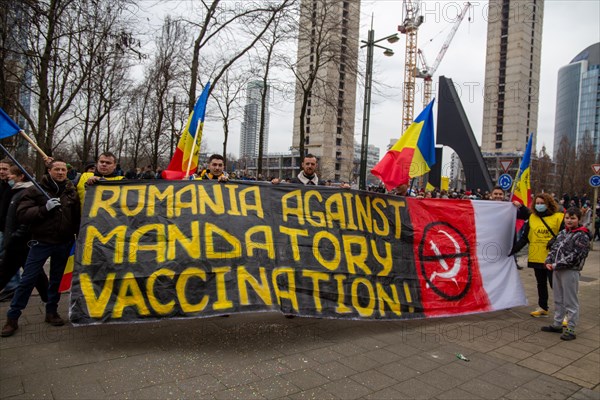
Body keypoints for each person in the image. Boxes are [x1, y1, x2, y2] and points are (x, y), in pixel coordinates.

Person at [1, 159, 81, 337]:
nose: (60, 172)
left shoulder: (71, 191)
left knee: (56, 281)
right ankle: (12, 317)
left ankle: (51, 312)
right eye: (57, 169)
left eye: (63, 170)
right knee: (28, 280)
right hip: (41, 243)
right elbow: (22, 214)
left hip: (64, 242)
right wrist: (44, 209)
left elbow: (76, 217)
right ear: (49, 170)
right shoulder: (35, 190)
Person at [541, 207, 591, 340]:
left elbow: (576, 256)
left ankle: (571, 328)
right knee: (558, 298)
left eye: (573, 218)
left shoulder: (582, 235)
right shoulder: (563, 232)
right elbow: (555, 248)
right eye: (567, 217)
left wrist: (556, 264)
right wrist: (548, 260)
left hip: (570, 271)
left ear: (579, 219)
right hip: (556, 270)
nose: (569, 220)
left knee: (570, 301)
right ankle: (557, 324)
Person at [0, 165, 49, 301]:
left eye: (11, 174)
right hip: (15, 241)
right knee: (36, 275)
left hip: (21, 241)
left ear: (21, 176)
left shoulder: (29, 192)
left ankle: (50, 305)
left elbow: (27, 217)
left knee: (7, 273)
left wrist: (17, 234)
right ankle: (50, 304)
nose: (8, 176)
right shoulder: (15, 190)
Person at [511, 193, 564, 318]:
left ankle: (564, 312)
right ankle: (543, 307)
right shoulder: (533, 218)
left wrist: (554, 240)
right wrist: (513, 250)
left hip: (552, 258)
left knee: (555, 285)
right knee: (541, 284)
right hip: (536, 256)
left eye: (542, 203)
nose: (539, 205)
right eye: (537, 203)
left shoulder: (559, 217)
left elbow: (564, 235)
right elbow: (524, 238)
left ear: (549, 204)